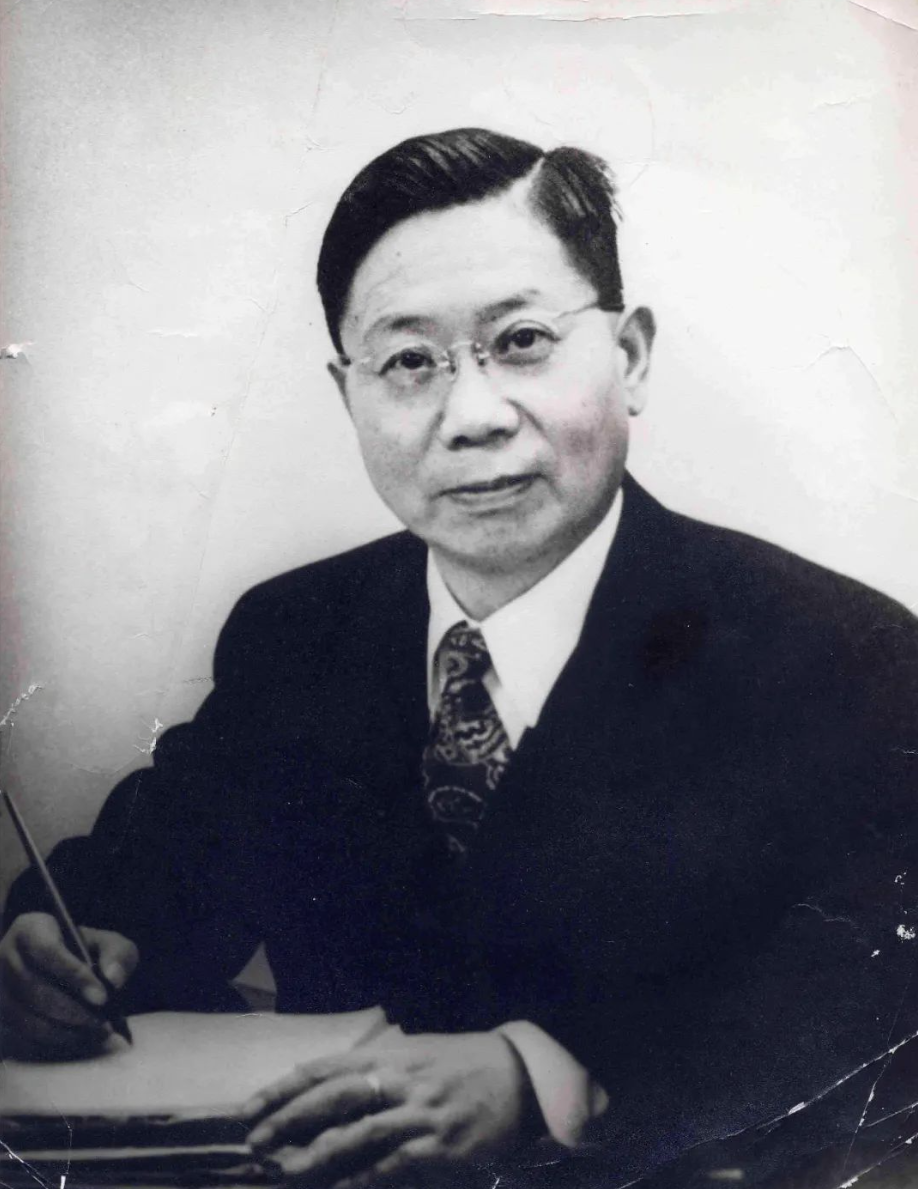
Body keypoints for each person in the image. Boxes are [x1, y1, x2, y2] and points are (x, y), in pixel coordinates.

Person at [3, 128, 918, 1189]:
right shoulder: (299, 634)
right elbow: (144, 888)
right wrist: (55, 949)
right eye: (408, 362)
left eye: (522, 341)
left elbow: (879, 998)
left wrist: (547, 1078)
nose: (472, 416)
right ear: (347, 393)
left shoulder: (838, 653)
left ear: (630, 357)